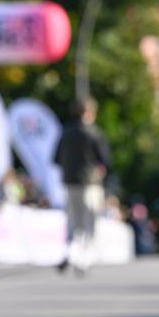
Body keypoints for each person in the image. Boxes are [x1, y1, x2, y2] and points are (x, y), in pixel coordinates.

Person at [54, 97, 111, 274]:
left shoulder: (65, 133)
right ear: (89, 113)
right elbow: (105, 161)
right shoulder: (94, 133)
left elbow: (55, 159)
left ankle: (70, 251)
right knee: (89, 221)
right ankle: (84, 258)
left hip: (69, 182)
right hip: (90, 183)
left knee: (73, 220)